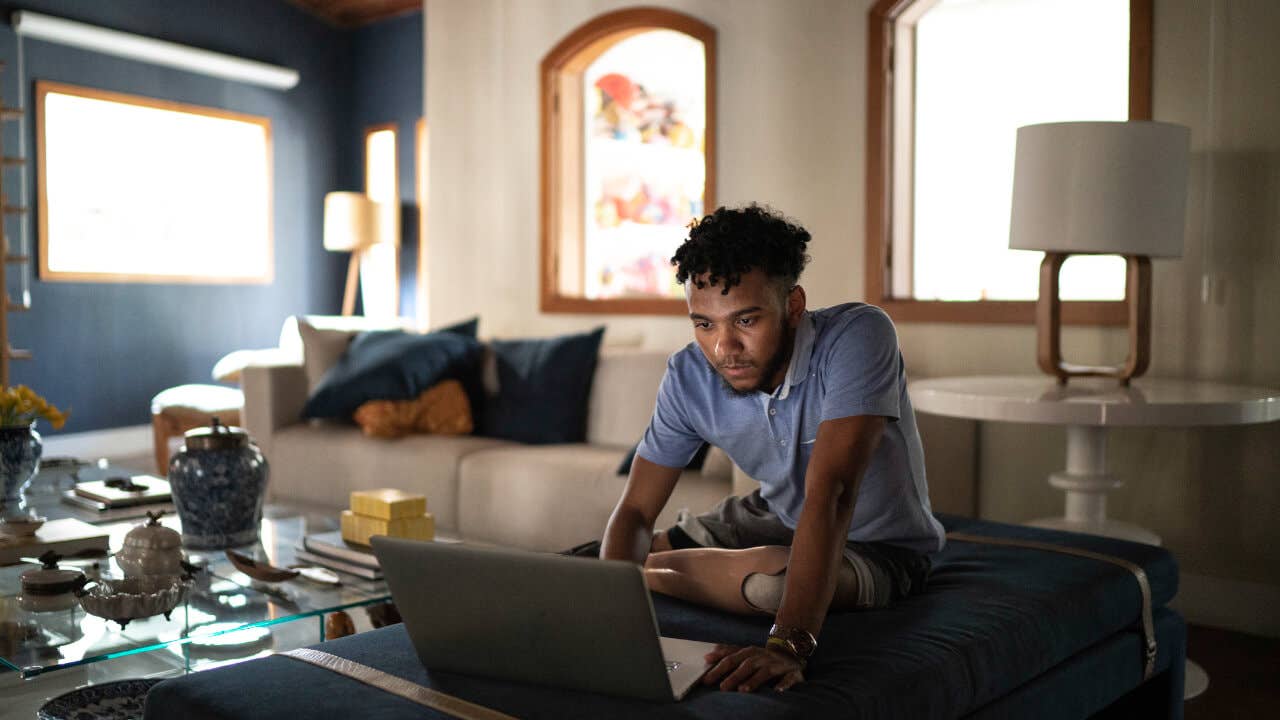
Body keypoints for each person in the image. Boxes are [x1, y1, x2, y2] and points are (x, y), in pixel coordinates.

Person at [600, 204, 945, 694]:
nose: (724, 348)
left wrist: (787, 646)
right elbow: (635, 508)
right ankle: (643, 571)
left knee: (770, 587)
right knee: (605, 552)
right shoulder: (687, 376)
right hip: (766, 515)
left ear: (794, 304)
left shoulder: (858, 336)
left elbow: (833, 492)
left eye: (745, 320)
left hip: (879, 547)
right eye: (704, 325)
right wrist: (612, 621)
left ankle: (650, 572)